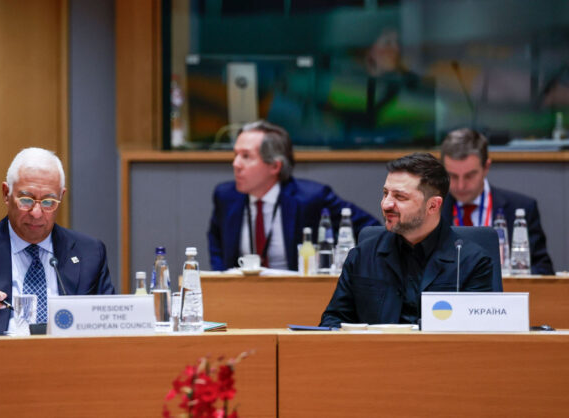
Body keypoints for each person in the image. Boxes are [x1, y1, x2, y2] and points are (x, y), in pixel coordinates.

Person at [0, 148, 114, 334]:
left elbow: (110, 322)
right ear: (6, 193)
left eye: (48, 202)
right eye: (26, 200)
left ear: (61, 197)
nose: (36, 213)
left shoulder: (89, 253)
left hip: (68, 352)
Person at [320, 153, 493, 327]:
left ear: (432, 205)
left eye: (400, 197)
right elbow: (332, 322)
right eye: (385, 193)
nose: (386, 204)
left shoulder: (472, 262)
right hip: (377, 345)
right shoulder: (362, 256)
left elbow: (478, 333)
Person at [207, 120, 379, 271]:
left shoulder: (312, 198)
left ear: (275, 166)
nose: (235, 164)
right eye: (235, 155)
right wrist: (222, 276)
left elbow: (370, 229)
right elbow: (216, 240)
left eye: (246, 156)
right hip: (242, 291)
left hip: (297, 291)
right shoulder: (226, 197)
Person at [440, 128, 554, 275]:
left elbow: (543, 269)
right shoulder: (432, 210)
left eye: (469, 176)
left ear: (486, 167)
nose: (461, 186)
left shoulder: (520, 207)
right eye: (453, 176)